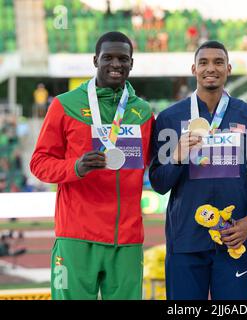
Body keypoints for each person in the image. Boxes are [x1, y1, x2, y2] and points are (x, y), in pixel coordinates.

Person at [30, 31, 155, 300]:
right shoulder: (64, 105)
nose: (115, 64)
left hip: (127, 239)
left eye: (123, 58)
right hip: (77, 235)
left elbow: (151, 165)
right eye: (108, 57)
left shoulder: (143, 112)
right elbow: (39, 164)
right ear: (95, 60)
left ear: (131, 63)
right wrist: (76, 167)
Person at [149, 40, 247, 300]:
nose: (211, 68)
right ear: (193, 68)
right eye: (204, 62)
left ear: (228, 68)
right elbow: (159, 183)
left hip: (234, 240)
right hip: (185, 242)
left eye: (218, 62)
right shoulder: (169, 119)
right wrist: (177, 158)